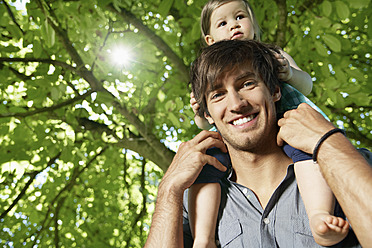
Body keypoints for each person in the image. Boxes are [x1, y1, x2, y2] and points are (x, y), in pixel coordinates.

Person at [144, 40, 372, 247]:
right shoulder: (192, 204)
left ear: (274, 91)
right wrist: (168, 189)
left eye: (247, 84)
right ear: (208, 115)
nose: (236, 104)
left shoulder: (346, 163)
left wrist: (328, 141)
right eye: (218, 94)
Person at [188, 0, 348, 247]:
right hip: (229, 141)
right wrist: (200, 109)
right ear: (210, 40)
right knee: (206, 168)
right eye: (223, 23)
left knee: (306, 155)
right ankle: (203, 238)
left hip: (289, 123)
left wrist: (290, 73)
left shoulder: (273, 54)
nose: (234, 26)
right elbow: (202, 122)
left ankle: (318, 214)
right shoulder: (207, 73)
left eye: (240, 17)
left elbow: (306, 84)